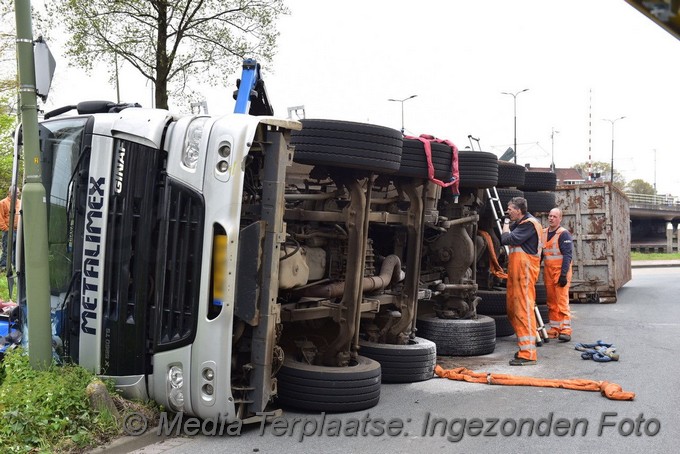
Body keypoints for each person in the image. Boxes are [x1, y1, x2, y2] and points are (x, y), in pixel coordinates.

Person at [500, 197, 543, 366]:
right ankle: (525, 348)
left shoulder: (529, 224)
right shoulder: (522, 223)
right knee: (513, 309)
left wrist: (504, 223)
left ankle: (528, 353)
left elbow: (506, 239)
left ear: (519, 210)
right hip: (518, 273)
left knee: (523, 309)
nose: (508, 211)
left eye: (510, 209)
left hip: (524, 272)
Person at [542, 207, 573, 342]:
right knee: (551, 302)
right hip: (548, 272)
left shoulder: (563, 234)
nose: (551, 218)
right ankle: (555, 328)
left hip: (560, 271)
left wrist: (563, 275)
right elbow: (540, 255)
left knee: (561, 301)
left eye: (554, 216)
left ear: (560, 219)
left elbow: (567, 255)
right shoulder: (543, 233)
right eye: (550, 215)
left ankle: (566, 330)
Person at [0, 187, 21, 270]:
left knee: (17, 250)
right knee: (7, 249)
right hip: (8, 230)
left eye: (18, 193)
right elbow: (0, 217)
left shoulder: (20, 202)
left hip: (18, 230)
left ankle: (16, 266)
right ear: (9, 192)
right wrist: (5, 228)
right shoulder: (3, 203)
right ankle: (3, 267)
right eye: (15, 192)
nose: (17, 194)